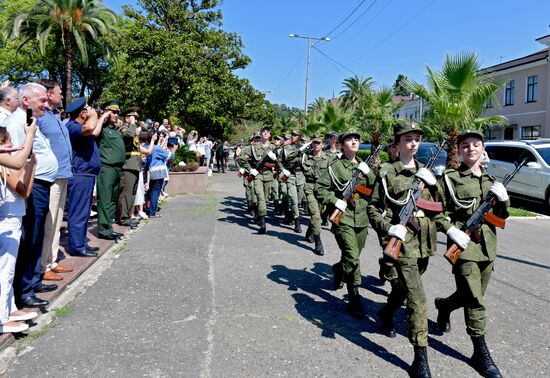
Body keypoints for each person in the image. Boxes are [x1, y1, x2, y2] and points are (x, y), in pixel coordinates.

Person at [367, 120, 446, 377]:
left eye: (416, 139)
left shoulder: (428, 172)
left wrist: (432, 184)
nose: (413, 143)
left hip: (425, 244)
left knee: (402, 289)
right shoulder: (387, 173)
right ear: (397, 144)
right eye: (407, 139)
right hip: (402, 245)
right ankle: (420, 357)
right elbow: (373, 207)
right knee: (417, 299)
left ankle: (386, 312)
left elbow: (440, 206)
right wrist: (388, 227)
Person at [435, 129, 508, 378]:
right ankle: (480, 352)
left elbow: (501, 218)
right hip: (464, 247)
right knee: (476, 301)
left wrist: (505, 201)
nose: (471, 149)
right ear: (459, 150)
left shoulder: (491, 181)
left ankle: (444, 306)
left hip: (488, 247)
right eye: (465, 145)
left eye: (476, 144)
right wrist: (450, 230)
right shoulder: (450, 178)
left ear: (483, 148)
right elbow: (436, 211)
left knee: (471, 295)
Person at [5, 83, 59, 308]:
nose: (46, 105)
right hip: (31, 185)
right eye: (42, 101)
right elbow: (16, 159)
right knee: (31, 235)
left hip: (42, 183)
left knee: (36, 236)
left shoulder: (30, 121)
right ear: (26, 101)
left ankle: (33, 280)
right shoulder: (17, 123)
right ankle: (24, 290)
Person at [315, 130, 375, 319]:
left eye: (357, 139)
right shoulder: (335, 167)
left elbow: (374, 191)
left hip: (362, 217)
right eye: (349, 139)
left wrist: (370, 173)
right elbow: (319, 189)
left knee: (352, 256)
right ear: (341, 144)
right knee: (353, 257)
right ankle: (354, 296)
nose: (354, 141)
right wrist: (335, 201)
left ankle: (338, 269)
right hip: (343, 217)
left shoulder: (365, 166)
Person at [0, 127, 38, 333]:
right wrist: (31, 165)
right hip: (6, 220)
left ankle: (9, 309)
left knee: (8, 269)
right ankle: (1, 318)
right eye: (7, 144)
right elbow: (24, 190)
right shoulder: (2, 165)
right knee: (4, 271)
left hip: (11, 220)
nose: (11, 149)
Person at [37, 79, 74, 281]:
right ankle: (43, 266)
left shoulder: (55, 116)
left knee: (58, 221)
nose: (62, 96)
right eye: (59, 93)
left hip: (63, 174)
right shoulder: (41, 117)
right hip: (50, 177)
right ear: (49, 94)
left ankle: (51, 261)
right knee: (49, 223)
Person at [65, 98, 110, 256]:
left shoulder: (82, 127)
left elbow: (95, 130)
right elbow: (90, 127)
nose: (90, 111)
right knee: (78, 212)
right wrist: (93, 115)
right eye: (87, 110)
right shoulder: (72, 126)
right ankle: (77, 246)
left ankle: (81, 242)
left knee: (84, 212)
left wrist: (101, 117)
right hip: (80, 174)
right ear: (82, 113)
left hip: (87, 174)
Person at [238, 126, 281, 234]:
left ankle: (258, 214)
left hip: (269, 175)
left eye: (267, 132)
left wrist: (277, 168)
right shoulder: (254, 147)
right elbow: (241, 157)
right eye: (264, 132)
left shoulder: (273, 147)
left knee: (265, 200)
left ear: (270, 135)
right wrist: (250, 169)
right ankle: (263, 224)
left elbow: (281, 161)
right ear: (261, 134)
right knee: (260, 198)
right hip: (257, 175)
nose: (265, 133)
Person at [96, 100, 126, 241]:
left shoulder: (115, 129)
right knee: (105, 200)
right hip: (106, 168)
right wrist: (103, 117)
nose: (116, 115)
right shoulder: (101, 127)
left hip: (117, 168)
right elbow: (94, 132)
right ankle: (104, 230)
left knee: (113, 200)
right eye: (113, 112)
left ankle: (109, 227)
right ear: (106, 112)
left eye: (117, 112)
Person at [301, 135, 331, 255]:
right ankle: (318, 242)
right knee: (315, 215)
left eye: (319, 143)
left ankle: (309, 233)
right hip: (310, 188)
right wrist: (303, 148)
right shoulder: (305, 157)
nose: (316, 145)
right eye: (314, 143)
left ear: (322, 145)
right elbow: (290, 158)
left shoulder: (328, 158)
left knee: (318, 213)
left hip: (323, 189)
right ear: (311, 144)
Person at [117, 106, 142, 229]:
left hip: (135, 164)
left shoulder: (132, 129)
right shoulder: (123, 128)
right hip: (128, 165)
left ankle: (127, 216)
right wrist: (131, 124)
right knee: (126, 194)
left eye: (136, 118)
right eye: (133, 117)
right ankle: (123, 217)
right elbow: (128, 137)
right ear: (127, 118)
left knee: (132, 193)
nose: (135, 120)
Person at [143, 131, 172, 217]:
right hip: (157, 172)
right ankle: (152, 212)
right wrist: (173, 149)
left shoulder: (145, 147)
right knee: (155, 192)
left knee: (148, 193)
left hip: (147, 172)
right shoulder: (156, 148)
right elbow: (170, 156)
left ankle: (147, 209)